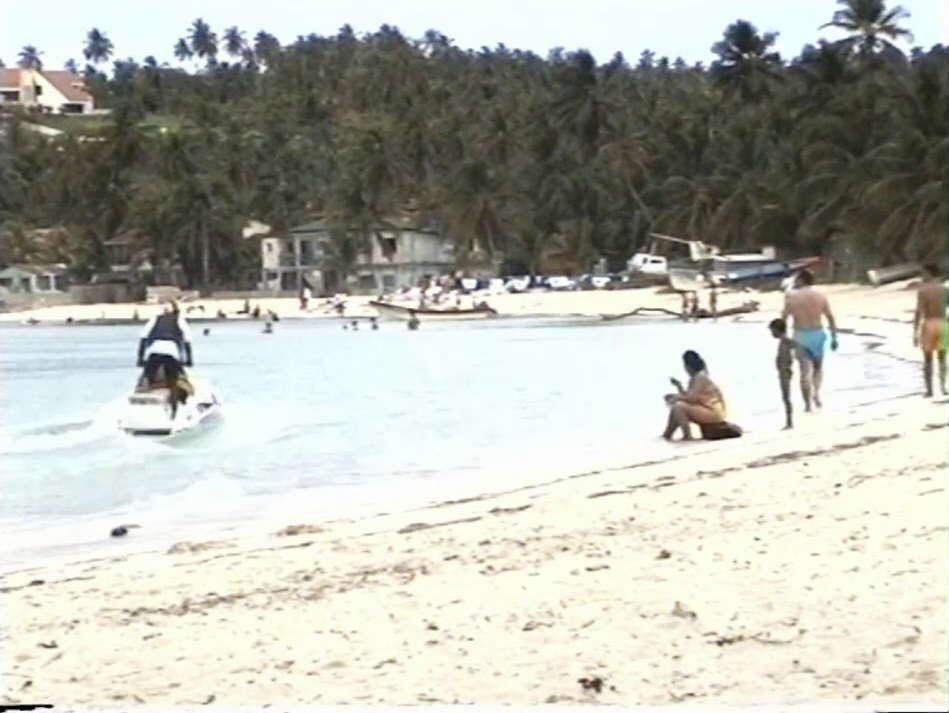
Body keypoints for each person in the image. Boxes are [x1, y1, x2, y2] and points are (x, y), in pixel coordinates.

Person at [781, 268, 838, 411]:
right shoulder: (820, 296)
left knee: (804, 372)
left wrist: (784, 339)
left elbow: (783, 319)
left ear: (801, 280)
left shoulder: (791, 297)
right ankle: (817, 394)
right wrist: (834, 337)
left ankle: (807, 405)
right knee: (818, 368)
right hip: (817, 334)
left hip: (800, 335)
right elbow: (830, 317)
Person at [137, 301, 194, 415]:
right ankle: (174, 413)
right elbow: (187, 342)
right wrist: (189, 360)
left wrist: (140, 358)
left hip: (153, 352)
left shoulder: (154, 319)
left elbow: (143, 339)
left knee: (146, 379)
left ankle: (140, 405)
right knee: (174, 382)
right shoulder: (179, 320)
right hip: (171, 353)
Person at [662, 350, 727, 441]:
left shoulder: (700, 377)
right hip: (708, 409)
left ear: (688, 366)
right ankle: (667, 435)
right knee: (677, 407)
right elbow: (689, 397)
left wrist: (675, 397)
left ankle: (687, 436)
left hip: (713, 412)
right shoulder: (696, 377)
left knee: (678, 407)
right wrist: (679, 386)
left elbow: (691, 399)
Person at [913, 263, 948, 397]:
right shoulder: (944, 289)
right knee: (942, 358)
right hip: (943, 323)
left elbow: (918, 312)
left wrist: (915, 332)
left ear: (929, 273)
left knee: (928, 360)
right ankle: (943, 387)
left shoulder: (923, 291)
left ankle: (929, 390)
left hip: (929, 324)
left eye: (923, 273)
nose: (922, 276)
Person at [769, 318, 796, 429]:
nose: (771, 334)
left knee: (786, 397)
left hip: (785, 372)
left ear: (777, 330)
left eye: (772, 331)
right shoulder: (783, 341)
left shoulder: (785, 341)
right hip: (783, 371)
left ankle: (789, 422)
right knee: (785, 397)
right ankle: (788, 421)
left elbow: (796, 346)